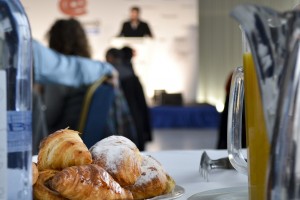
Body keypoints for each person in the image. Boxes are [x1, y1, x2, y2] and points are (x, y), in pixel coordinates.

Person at [42, 18, 94, 132]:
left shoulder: (59, 72)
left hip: (61, 138)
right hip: (83, 136)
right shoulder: (94, 70)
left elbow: (49, 117)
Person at [106, 46, 152, 150]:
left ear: (110, 57)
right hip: (135, 119)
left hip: (119, 124)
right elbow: (142, 104)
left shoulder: (109, 75)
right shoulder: (130, 73)